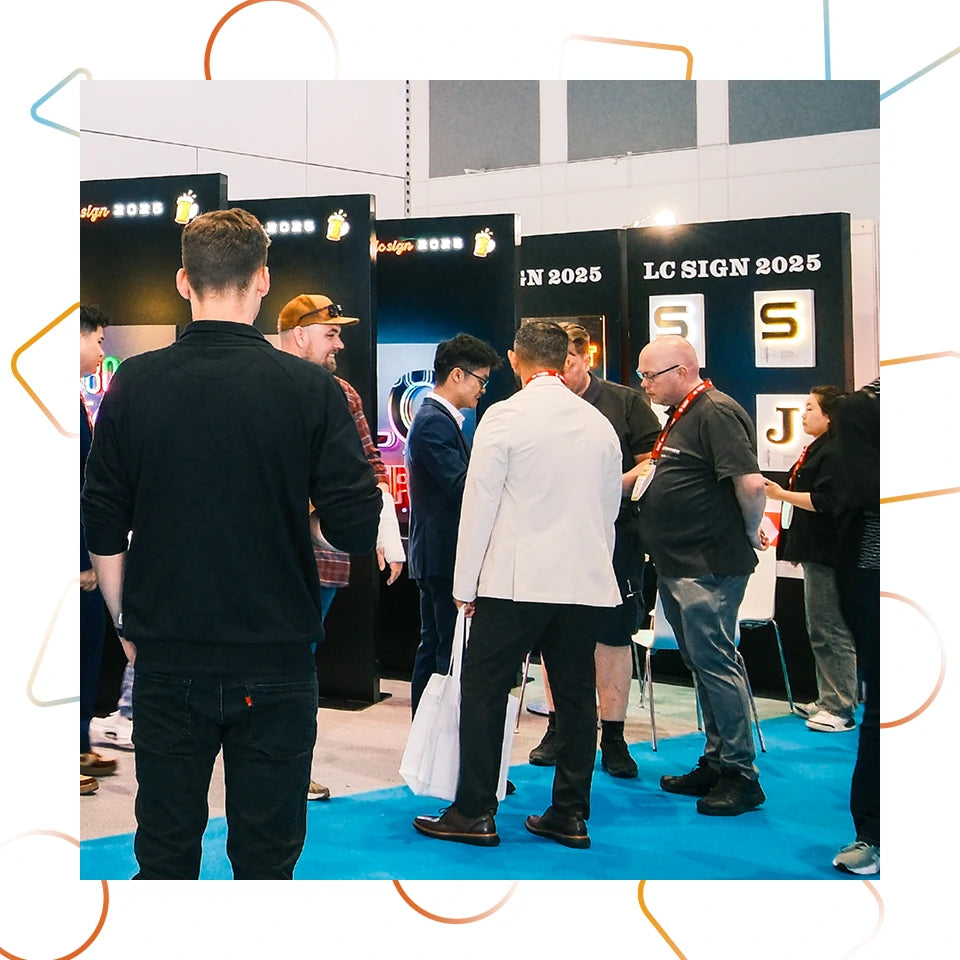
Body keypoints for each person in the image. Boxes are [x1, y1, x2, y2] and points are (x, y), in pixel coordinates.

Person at [81, 208, 381, 880]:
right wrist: (298, 506)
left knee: (164, 854)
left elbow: (101, 519)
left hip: (168, 649)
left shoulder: (135, 383)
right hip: (275, 653)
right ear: (263, 280)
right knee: (267, 860)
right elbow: (357, 527)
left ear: (184, 281)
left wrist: (127, 623)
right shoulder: (312, 390)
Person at [412, 320, 623, 849]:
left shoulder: (504, 417)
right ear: (566, 359)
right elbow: (608, 512)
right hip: (581, 583)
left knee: (483, 691)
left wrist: (465, 584)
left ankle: (474, 812)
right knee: (576, 698)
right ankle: (570, 814)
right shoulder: (598, 423)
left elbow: (479, 505)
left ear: (514, 359)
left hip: (514, 581)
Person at [277, 292, 405, 800]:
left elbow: (370, 466)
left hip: (319, 555)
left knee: (298, 662)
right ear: (299, 334)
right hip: (264, 553)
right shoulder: (261, 384)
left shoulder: (341, 393)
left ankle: (291, 767)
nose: (340, 343)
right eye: (330, 333)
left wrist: (381, 532)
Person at [634, 335, 768, 817]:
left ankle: (740, 773)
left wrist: (750, 531)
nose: (644, 384)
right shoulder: (683, 414)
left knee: (715, 663)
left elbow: (750, 483)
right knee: (702, 663)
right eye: (642, 375)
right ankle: (717, 760)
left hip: (708, 563)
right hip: (680, 562)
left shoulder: (715, 412)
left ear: (683, 371)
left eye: (651, 375)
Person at [528, 321, 660, 778]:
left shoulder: (625, 403)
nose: (560, 372)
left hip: (615, 536)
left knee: (613, 635)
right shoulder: (536, 405)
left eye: (568, 362)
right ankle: (557, 727)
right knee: (552, 632)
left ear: (586, 358)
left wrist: (605, 487)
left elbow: (652, 463)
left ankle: (615, 736)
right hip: (552, 535)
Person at [405, 333, 501, 718]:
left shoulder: (440, 420)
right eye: (481, 380)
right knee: (443, 652)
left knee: (438, 647)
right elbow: (462, 487)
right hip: (442, 555)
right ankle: (435, 741)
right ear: (458, 375)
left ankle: (430, 741)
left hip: (438, 554)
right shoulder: (434, 422)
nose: (482, 389)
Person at [763, 386, 858, 733]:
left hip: (828, 553)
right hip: (815, 551)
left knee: (830, 629)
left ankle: (840, 706)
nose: (803, 414)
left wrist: (781, 494)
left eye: (810, 408)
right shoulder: (819, 448)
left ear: (829, 416)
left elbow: (826, 502)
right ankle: (829, 697)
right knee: (821, 628)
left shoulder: (836, 453)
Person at [829, 377, 880, 875]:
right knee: (885, 709)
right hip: (880, 581)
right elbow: (861, 491)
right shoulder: (863, 408)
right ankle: (873, 832)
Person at [80, 303, 117, 793]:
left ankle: (78, 741)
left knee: (87, 650)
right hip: (72, 560)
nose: (100, 350)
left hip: (84, 553)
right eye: (98, 339)